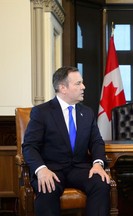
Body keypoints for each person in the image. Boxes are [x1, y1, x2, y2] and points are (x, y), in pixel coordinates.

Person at [22, 66, 110, 216]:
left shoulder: (86, 112)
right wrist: (41, 169)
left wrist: (97, 163)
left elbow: (96, 142)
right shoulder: (42, 112)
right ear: (63, 88)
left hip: (79, 169)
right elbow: (29, 146)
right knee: (47, 188)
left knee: (101, 184)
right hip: (51, 169)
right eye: (78, 83)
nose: (84, 87)